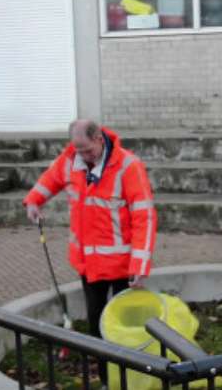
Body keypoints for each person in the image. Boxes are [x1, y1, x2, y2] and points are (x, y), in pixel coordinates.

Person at [23, 119, 157, 387]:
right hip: (91, 265)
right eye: (77, 150)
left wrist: (139, 266)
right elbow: (50, 178)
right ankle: (108, 381)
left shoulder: (128, 166)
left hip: (122, 266)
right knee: (96, 325)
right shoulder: (72, 159)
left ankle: (129, 378)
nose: (82, 156)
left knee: (122, 326)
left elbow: (145, 217)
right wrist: (33, 201)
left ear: (98, 138)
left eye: (86, 150)